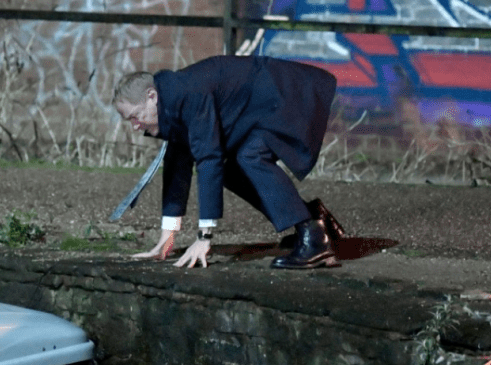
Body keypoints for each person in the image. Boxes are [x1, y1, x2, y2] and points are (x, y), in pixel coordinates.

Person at [112, 55, 346, 269]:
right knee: (229, 170)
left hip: (286, 95)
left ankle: (314, 240)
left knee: (249, 157)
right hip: (263, 106)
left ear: (151, 97)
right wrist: (166, 238)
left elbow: (208, 159)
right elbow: (177, 167)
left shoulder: (186, 94)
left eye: (135, 116)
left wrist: (204, 239)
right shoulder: (170, 101)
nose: (135, 126)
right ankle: (312, 217)